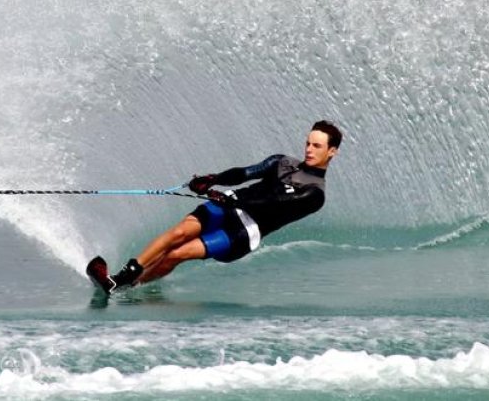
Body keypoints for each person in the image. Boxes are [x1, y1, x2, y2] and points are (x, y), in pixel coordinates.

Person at [87, 120, 342, 293]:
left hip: (243, 232)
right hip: (228, 205)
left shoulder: (314, 194)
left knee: (178, 253)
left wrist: (236, 199)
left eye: (317, 146)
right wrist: (213, 179)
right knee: (179, 232)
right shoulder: (282, 161)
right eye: (308, 143)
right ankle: (119, 279)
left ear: (332, 152)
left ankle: (130, 287)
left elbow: (275, 203)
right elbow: (245, 173)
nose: (309, 149)